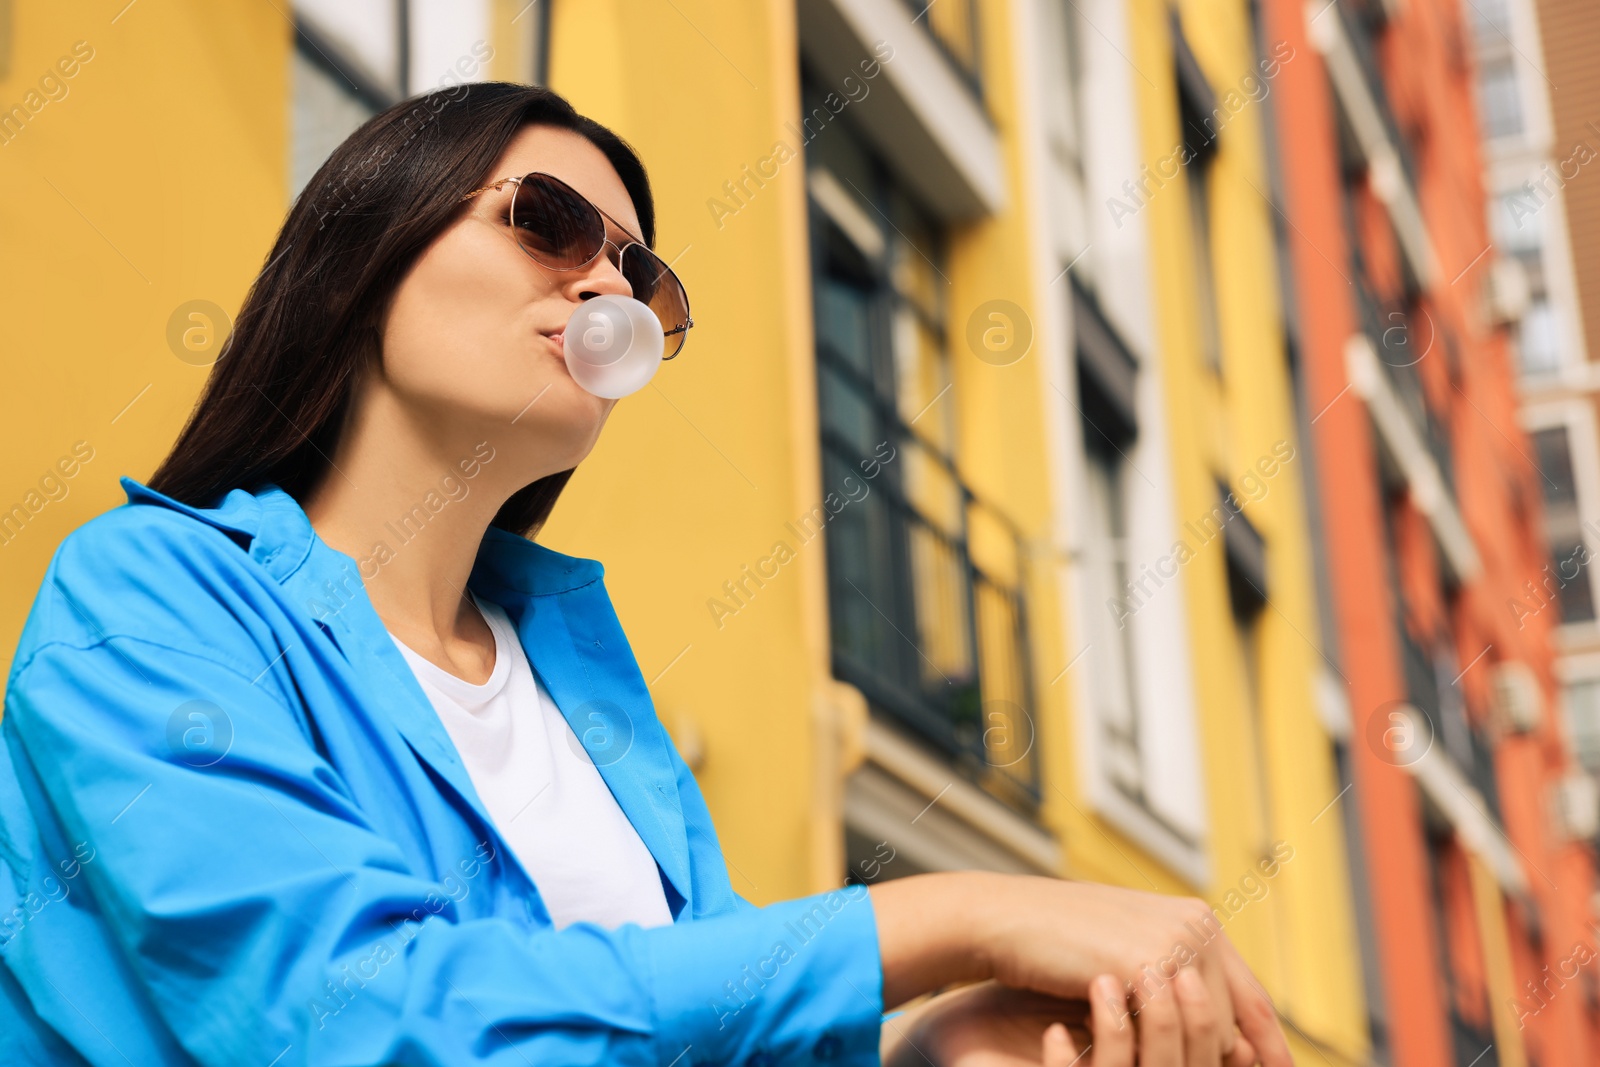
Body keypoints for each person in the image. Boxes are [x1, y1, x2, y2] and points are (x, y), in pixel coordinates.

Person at [0, 82, 1291, 1066]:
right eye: (550, 222)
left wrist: (945, 1050)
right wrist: (943, 922)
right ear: (370, 251)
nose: (607, 281)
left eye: (642, 272)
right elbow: (354, 1017)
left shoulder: (589, 700)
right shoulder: (145, 600)